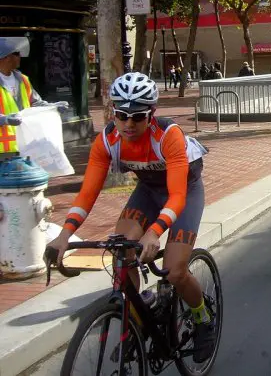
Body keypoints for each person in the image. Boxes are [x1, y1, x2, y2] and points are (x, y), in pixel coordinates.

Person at [45, 72, 216, 362]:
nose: (127, 124)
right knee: (121, 251)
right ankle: (139, 313)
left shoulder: (168, 136)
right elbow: (87, 194)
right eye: (121, 115)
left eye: (137, 117)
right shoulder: (108, 140)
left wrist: (155, 231)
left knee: (175, 270)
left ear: (152, 114)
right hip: (148, 190)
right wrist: (63, 235)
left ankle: (202, 317)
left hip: (183, 191)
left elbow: (177, 196)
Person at [0, 37, 68, 155]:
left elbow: (36, 103)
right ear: (5, 57)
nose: (20, 56)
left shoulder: (23, 80)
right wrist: (4, 120)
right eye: (16, 53)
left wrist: (53, 107)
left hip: (24, 147)